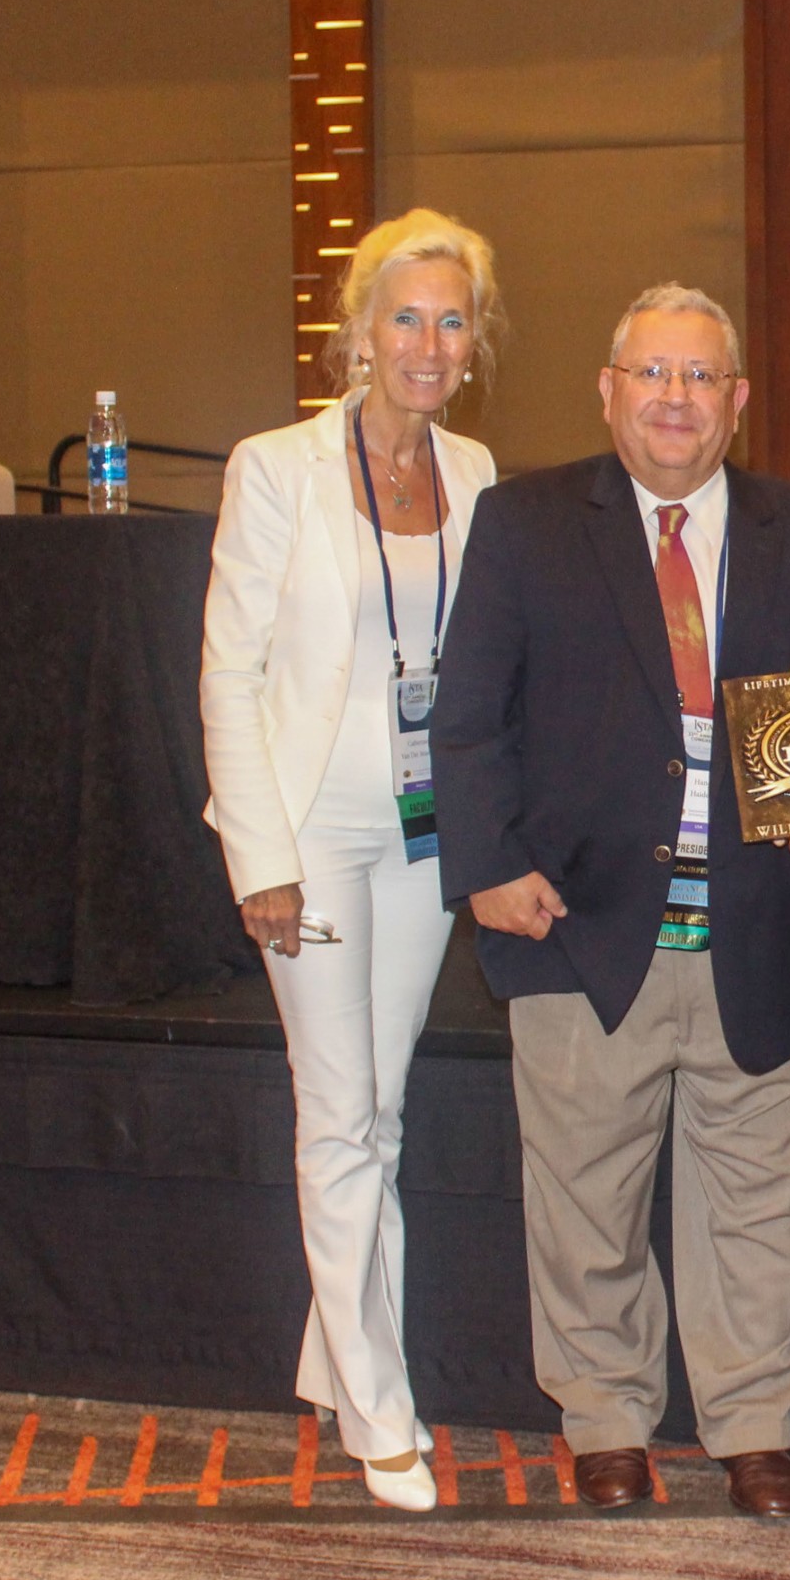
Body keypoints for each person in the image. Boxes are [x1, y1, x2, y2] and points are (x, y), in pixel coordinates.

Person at [430, 284, 790, 1520]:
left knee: (763, 1202)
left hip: (760, 926)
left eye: (700, 377)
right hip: (578, 922)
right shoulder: (522, 523)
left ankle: (754, 1424)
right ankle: (606, 1418)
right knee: (586, 1194)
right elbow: (468, 714)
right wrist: (486, 865)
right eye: (652, 374)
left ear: (738, 401)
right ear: (608, 390)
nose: (675, 399)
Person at [199, 208, 506, 1512]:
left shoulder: (477, 471)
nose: (428, 344)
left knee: (379, 1106)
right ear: (360, 331)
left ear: (474, 342)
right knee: (336, 1111)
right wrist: (258, 855)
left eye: (451, 321)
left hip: (423, 836)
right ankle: (382, 1409)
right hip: (312, 838)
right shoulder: (276, 467)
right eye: (406, 318)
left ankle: (336, 1357)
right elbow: (229, 670)